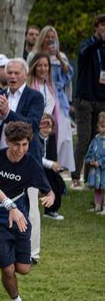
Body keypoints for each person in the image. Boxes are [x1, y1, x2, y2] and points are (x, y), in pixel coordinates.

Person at [0, 122, 54, 301]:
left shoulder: (31, 164)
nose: (20, 149)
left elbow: (48, 190)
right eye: (16, 144)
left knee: (23, 268)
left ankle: (10, 259)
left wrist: (49, 197)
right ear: (7, 141)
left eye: (24, 144)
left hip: (20, 218)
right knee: (8, 268)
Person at [29, 26, 75, 175]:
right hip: (40, 95)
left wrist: (59, 57)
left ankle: (59, 165)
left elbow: (68, 74)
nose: (50, 39)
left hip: (57, 97)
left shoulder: (60, 55)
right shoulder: (34, 55)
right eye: (47, 36)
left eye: (52, 36)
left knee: (63, 136)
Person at [0, 58, 44, 163]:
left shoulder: (35, 96)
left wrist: (7, 114)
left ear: (25, 75)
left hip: (26, 155)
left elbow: (32, 125)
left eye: (16, 73)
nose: (12, 76)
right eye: (9, 73)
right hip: (0, 153)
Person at [72, 14, 105, 190]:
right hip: (84, 99)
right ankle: (75, 177)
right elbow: (84, 54)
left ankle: (91, 179)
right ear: (96, 27)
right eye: (103, 25)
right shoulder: (87, 44)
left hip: (101, 100)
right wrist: (99, 41)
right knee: (84, 139)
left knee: (96, 140)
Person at [37, 113, 67, 220]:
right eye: (44, 126)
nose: (47, 130)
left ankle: (50, 210)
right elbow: (36, 157)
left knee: (56, 183)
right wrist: (51, 164)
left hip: (45, 168)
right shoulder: (35, 139)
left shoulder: (49, 138)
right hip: (35, 169)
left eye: (50, 127)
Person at [84, 112, 105, 213]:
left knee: (104, 188)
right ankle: (97, 206)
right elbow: (90, 152)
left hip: (103, 169)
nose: (103, 129)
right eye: (102, 126)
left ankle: (104, 208)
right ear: (98, 126)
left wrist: (100, 162)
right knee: (97, 188)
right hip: (96, 170)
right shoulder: (95, 139)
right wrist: (90, 160)